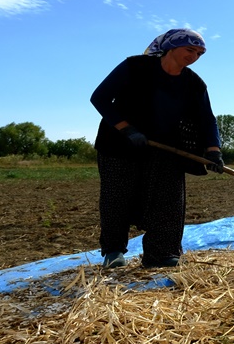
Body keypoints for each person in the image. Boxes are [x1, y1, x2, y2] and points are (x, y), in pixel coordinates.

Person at [90, 29, 223, 269]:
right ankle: (113, 252)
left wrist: (214, 151)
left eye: (200, 53)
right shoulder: (135, 67)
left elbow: (207, 119)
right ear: (172, 47)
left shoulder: (193, 83)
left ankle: (161, 254)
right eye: (189, 50)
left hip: (167, 149)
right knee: (117, 197)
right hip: (120, 144)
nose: (194, 56)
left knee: (169, 200)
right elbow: (100, 98)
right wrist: (127, 129)